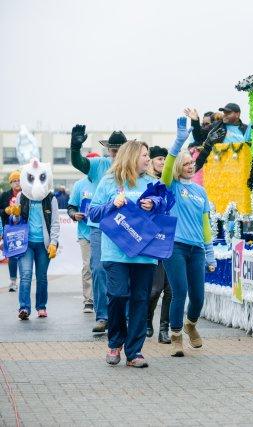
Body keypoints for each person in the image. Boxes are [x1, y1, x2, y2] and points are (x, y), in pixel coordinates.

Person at [89, 140, 158, 368]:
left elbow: (166, 206)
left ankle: (134, 351)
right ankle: (115, 342)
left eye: (148, 155)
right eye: (144, 155)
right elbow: (93, 212)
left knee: (140, 300)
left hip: (145, 253)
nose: (148, 159)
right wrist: (112, 203)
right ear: (131, 156)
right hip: (115, 253)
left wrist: (155, 203)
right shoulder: (110, 181)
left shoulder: (152, 182)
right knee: (118, 296)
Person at [161, 117, 216, 357]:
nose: (190, 166)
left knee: (198, 298)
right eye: (185, 163)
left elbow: (206, 225)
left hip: (196, 249)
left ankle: (190, 325)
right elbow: (166, 168)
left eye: (191, 162)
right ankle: (175, 336)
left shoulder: (200, 191)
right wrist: (179, 142)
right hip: (175, 247)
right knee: (179, 292)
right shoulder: (170, 186)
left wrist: (210, 253)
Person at [70, 126, 127, 333]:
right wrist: (75, 147)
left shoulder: (133, 168)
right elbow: (79, 163)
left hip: (124, 227)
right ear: (108, 151)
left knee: (124, 270)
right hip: (98, 226)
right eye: (113, 150)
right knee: (98, 268)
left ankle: (123, 315)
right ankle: (102, 315)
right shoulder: (99, 165)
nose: (116, 154)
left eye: (120, 150)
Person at [8, 160, 59, 320]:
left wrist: (53, 243)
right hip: (26, 243)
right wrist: (15, 213)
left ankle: (41, 307)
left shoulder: (51, 199)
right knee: (26, 274)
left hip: (43, 244)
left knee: (42, 276)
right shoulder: (21, 197)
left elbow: (55, 223)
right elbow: (15, 222)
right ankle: (24, 307)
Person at [67, 152, 100, 313]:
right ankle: (88, 300)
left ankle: (103, 298)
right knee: (88, 266)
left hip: (103, 231)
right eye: (89, 163)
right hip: (85, 233)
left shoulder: (105, 182)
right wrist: (74, 214)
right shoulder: (79, 185)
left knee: (100, 267)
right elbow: (71, 206)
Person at [145, 145, 172, 344]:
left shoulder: (172, 182)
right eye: (158, 158)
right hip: (154, 238)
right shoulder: (148, 184)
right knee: (155, 289)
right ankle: (147, 320)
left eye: (165, 158)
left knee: (171, 289)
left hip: (173, 236)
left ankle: (165, 329)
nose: (162, 162)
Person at [195, 103, 251, 171]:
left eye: (228, 113)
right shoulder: (216, 126)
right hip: (219, 171)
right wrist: (195, 122)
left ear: (237, 114)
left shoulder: (245, 129)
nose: (225, 115)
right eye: (224, 113)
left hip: (239, 171)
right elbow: (199, 137)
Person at [1, 170, 22, 292]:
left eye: (19, 180)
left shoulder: (26, 194)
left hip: (24, 229)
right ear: (10, 183)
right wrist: (6, 211)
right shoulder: (4, 195)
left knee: (24, 256)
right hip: (9, 229)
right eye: (14, 181)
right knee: (12, 256)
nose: (17, 183)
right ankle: (13, 281)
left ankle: (25, 280)